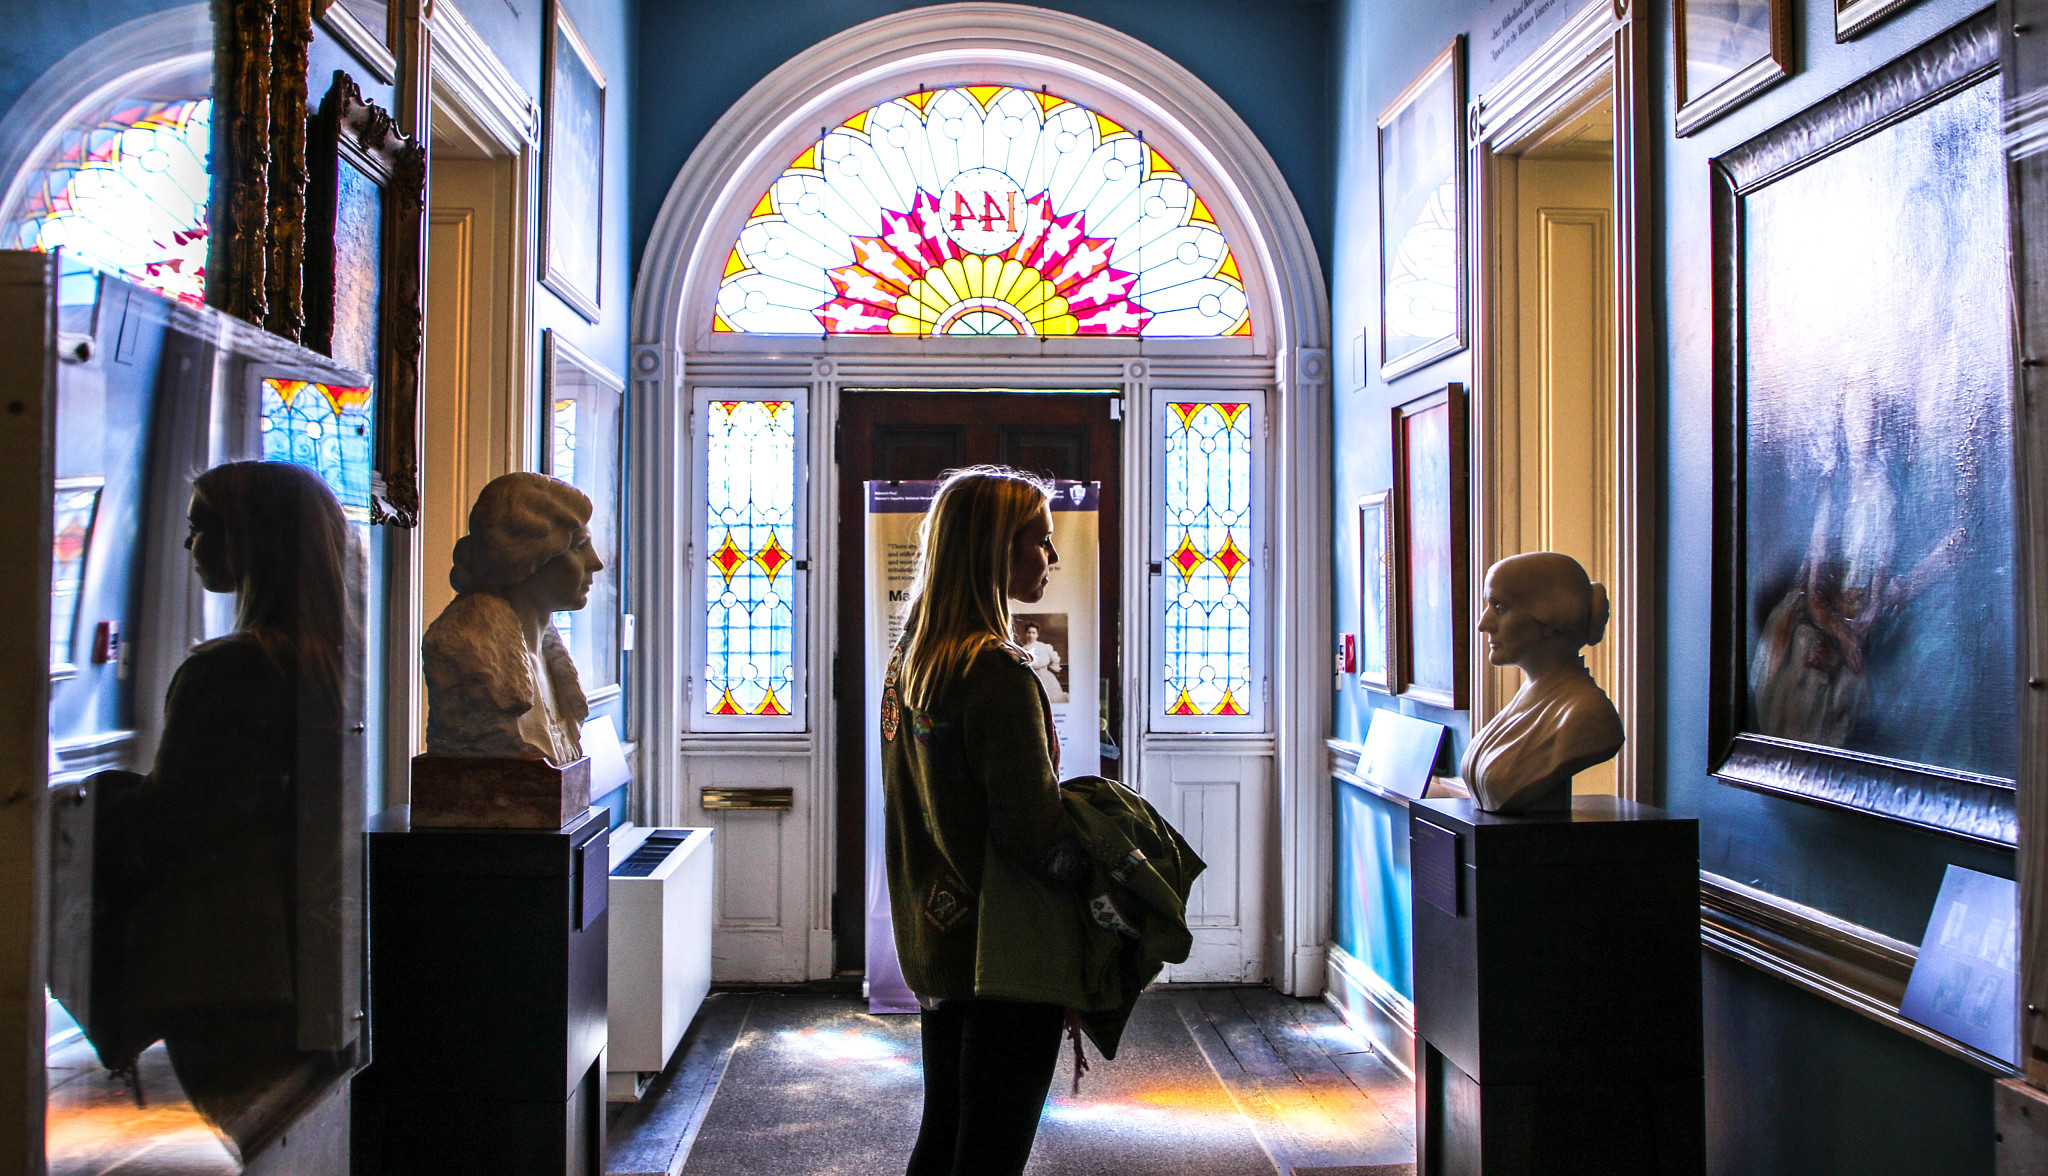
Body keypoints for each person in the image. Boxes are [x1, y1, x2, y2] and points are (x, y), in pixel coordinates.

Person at [89, 461, 351, 1159]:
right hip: (296, 962)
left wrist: (96, 800)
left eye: (206, 525)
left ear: (256, 540)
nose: (191, 545)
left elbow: (169, 826)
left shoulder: (230, 669)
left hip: (220, 963)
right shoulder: (327, 665)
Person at [881, 465, 1087, 1176]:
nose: (1051, 559)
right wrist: (1103, 874)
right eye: (1040, 542)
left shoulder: (912, 660)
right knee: (991, 1153)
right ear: (995, 549)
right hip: (1008, 948)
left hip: (939, 937)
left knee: (944, 1137)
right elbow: (1033, 834)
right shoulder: (997, 671)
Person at [422, 472, 602, 764]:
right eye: (579, 547)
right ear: (529, 555)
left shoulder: (547, 654)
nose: (596, 562)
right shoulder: (469, 650)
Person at [1461, 551, 1625, 813]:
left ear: (1550, 618)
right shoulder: (1529, 697)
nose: (1483, 623)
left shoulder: (1588, 714)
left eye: (1499, 607)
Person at [1014, 621, 1067, 703]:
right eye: (1029, 632)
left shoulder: (1043, 646)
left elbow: (1049, 660)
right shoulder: (1022, 650)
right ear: (1025, 634)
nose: (1031, 635)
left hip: (1045, 677)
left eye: (1033, 633)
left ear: (1037, 635)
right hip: (1030, 678)